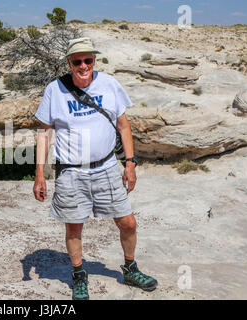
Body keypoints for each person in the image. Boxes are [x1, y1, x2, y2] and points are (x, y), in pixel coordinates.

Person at [33, 37, 157, 300]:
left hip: (107, 167)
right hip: (71, 172)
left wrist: (130, 163)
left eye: (88, 60)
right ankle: (79, 274)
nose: (83, 66)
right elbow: (44, 134)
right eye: (77, 61)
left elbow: (124, 126)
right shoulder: (55, 90)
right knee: (74, 227)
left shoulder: (109, 84)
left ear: (94, 61)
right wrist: (39, 175)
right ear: (69, 63)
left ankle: (130, 269)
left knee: (128, 223)